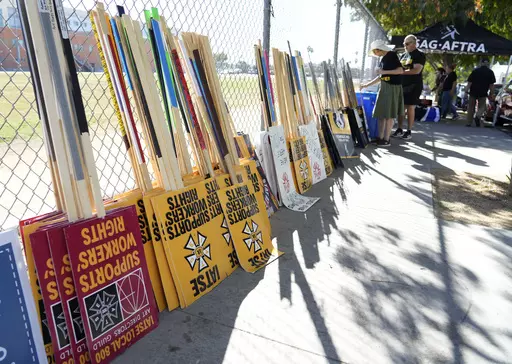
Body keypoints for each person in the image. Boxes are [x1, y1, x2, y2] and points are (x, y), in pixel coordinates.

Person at [360, 39, 404, 147]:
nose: (375, 54)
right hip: (384, 86)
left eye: (375, 51)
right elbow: (381, 77)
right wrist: (367, 85)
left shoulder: (391, 55)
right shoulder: (384, 59)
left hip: (392, 87)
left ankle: (386, 139)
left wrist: (384, 72)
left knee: (388, 115)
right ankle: (380, 138)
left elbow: (400, 71)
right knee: (381, 114)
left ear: (380, 49)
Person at [392, 34, 426, 140]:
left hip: (414, 85)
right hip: (402, 85)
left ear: (414, 44)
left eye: (407, 44)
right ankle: (400, 129)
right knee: (401, 108)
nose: (405, 46)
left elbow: (416, 70)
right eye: (404, 44)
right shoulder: (403, 55)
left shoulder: (419, 55)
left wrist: (401, 72)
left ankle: (409, 131)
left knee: (410, 107)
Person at [465, 58, 496, 127]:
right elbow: (491, 85)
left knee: (471, 107)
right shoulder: (490, 72)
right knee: (482, 107)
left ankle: (468, 122)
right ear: (488, 63)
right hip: (483, 92)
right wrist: (492, 93)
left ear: (481, 63)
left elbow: (470, 82)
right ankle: (478, 116)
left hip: (473, 92)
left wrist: (466, 91)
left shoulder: (475, 71)